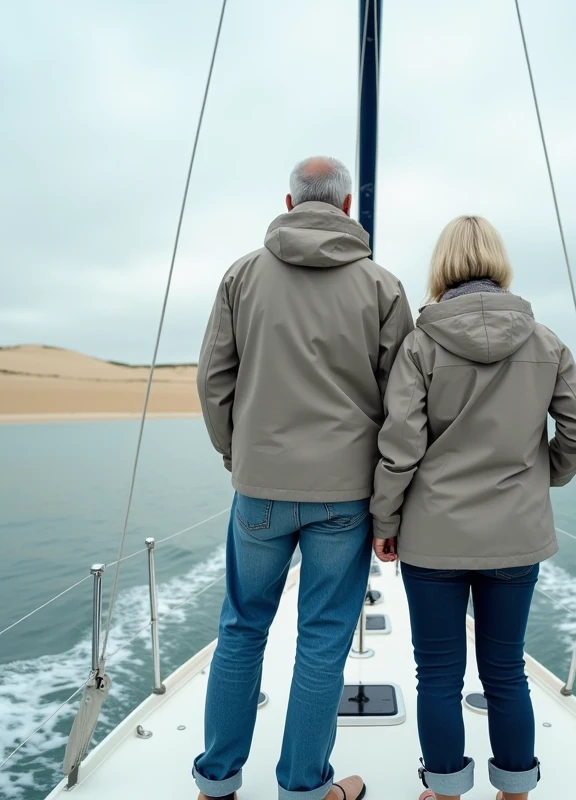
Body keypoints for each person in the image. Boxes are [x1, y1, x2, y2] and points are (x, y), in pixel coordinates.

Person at [193, 156, 413, 800]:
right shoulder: (382, 287)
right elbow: (403, 405)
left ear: (289, 202)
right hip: (344, 498)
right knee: (323, 640)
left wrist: (238, 455)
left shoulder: (241, 276)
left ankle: (216, 783)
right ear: (346, 207)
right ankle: (303, 787)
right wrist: (389, 499)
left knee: (241, 629)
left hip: (259, 488)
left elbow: (213, 380)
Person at [370, 215, 576, 800]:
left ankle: (446, 792)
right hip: (515, 536)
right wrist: (542, 475)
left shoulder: (420, 344)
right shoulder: (544, 341)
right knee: (506, 672)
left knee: (438, 676)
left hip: (433, 539)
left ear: (442, 265)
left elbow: (401, 447)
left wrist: (385, 520)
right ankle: (516, 792)